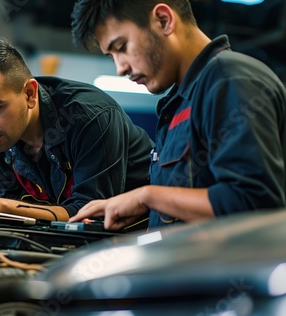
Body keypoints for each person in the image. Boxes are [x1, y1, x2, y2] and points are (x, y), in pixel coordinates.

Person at [69, 0, 286, 230]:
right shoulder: (178, 102)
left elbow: (253, 205)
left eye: (122, 47)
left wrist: (147, 197)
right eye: (111, 55)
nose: (120, 68)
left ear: (164, 20)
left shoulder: (229, 81)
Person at [0, 38, 154, 222]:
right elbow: (9, 214)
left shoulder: (89, 118)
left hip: (150, 231)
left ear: (30, 94)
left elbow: (92, 214)